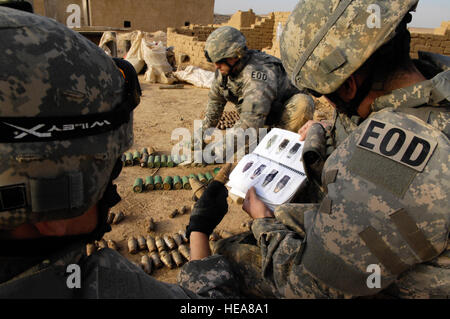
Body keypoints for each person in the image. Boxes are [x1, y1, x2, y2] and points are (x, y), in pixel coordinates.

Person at [215, 0, 449, 298]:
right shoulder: (432, 84)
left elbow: (311, 287)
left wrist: (263, 225)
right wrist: (316, 132)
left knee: (229, 256)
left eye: (324, 94)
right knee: (289, 215)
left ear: (349, 87)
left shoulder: (393, 157)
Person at [0, 6, 239, 299]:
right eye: (106, 173)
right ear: (53, 210)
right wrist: (199, 231)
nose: (111, 191)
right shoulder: (98, 287)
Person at [193, 26, 315, 162]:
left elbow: (250, 122)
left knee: (303, 103)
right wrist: (200, 137)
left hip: (280, 117)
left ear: (235, 56)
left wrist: (215, 152)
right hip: (262, 119)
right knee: (247, 151)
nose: (216, 66)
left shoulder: (257, 74)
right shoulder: (225, 71)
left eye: (220, 61)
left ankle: (279, 149)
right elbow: (215, 104)